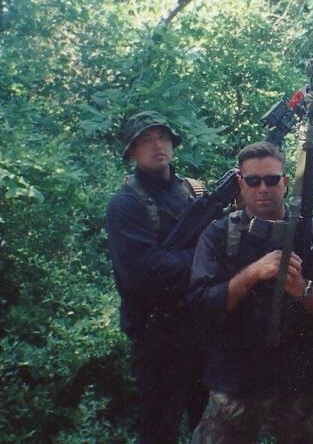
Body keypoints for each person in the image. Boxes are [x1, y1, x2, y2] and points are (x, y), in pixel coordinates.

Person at [187, 141, 313, 443]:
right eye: (253, 181)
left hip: (301, 377)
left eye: (272, 180)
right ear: (240, 184)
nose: (263, 188)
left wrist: (303, 290)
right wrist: (251, 274)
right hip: (235, 377)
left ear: (286, 183)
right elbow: (201, 305)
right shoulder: (218, 235)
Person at [106, 111, 209, 444]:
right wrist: (198, 260)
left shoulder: (192, 192)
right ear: (132, 153)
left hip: (201, 328)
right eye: (146, 141)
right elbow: (144, 275)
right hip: (157, 338)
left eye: (162, 138)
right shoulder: (125, 204)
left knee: (210, 426)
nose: (157, 146)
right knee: (159, 430)